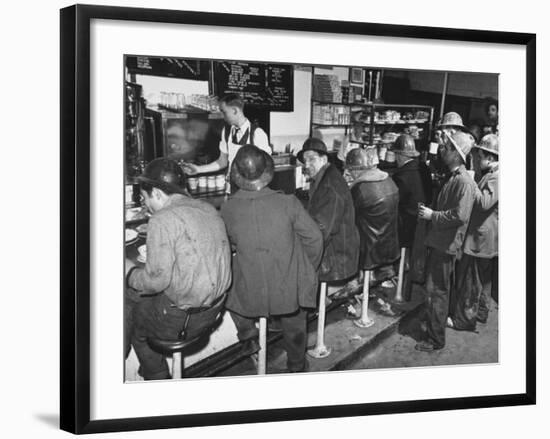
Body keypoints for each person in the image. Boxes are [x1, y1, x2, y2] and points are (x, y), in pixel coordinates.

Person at [125, 158, 232, 380]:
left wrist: (129, 272)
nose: (146, 206)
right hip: (216, 309)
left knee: (133, 316)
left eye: (145, 199)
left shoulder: (162, 219)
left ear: (156, 193)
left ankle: (157, 379)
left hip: (185, 320)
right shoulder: (208, 208)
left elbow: (156, 282)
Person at [220, 145, 323, 373]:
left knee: (228, 289)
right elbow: (315, 239)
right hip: (286, 290)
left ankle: (248, 335)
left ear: (237, 174)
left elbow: (227, 247)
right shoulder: (288, 202)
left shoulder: (227, 209)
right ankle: (296, 365)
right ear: (267, 171)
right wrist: (305, 268)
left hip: (250, 293)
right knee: (295, 319)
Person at [416, 130, 477, 352]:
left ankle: (435, 340)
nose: (444, 150)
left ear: (457, 155)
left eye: (449, 148)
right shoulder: (453, 177)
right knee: (438, 290)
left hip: (446, 244)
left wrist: (433, 216)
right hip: (441, 241)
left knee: (437, 292)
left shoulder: (463, 182)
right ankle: (435, 326)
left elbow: (460, 215)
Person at [449, 134, 499, 331]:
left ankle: (464, 321)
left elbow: (485, 203)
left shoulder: (496, 176)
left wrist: (471, 183)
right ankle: (481, 313)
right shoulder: (492, 173)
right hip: (486, 237)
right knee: (483, 281)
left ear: (491, 157)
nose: (479, 158)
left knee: (472, 281)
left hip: (481, 238)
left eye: (481, 155)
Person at [298, 138, 360, 284]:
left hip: (337, 257)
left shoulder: (330, 187)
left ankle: (314, 302)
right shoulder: (325, 177)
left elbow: (321, 231)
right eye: (305, 160)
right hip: (338, 248)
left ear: (324, 159)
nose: (307, 165)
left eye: (311, 159)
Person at [345, 147, 400, 284]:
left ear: (356, 170)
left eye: (350, 171)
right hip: (390, 244)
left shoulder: (360, 189)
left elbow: (346, 216)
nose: (349, 174)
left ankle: (355, 283)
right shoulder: (388, 180)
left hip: (370, 249)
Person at [182, 93, 271, 176]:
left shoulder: (257, 134)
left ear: (235, 111)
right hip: (231, 186)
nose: (223, 116)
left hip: (250, 188)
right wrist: (198, 169)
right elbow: (222, 161)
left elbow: (266, 166)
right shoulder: (227, 131)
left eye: (224, 112)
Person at [391, 134, 429, 249]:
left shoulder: (400, 176)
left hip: (406, 225)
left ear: (400, 155)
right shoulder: (424, 169)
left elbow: (395, 204)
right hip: (423, 221)